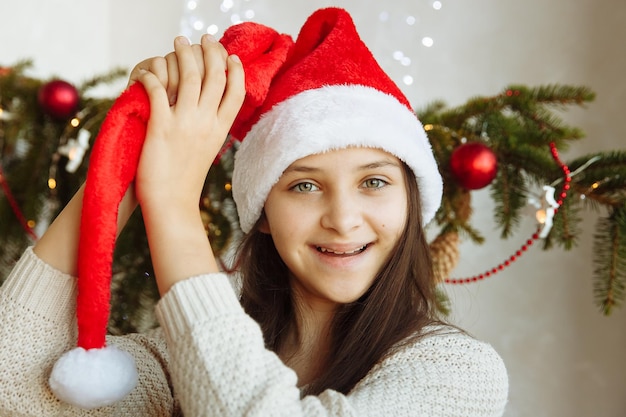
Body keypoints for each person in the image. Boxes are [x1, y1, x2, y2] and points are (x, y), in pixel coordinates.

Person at [0, 7, 508, 416]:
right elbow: (18, 383)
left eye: (374, 181)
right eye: (305, 185)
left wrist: (174, 205)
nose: (344, 218)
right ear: (262, 210)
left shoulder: (456, 372)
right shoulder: (183, 359)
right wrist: (131, 161)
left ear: (411, 199)